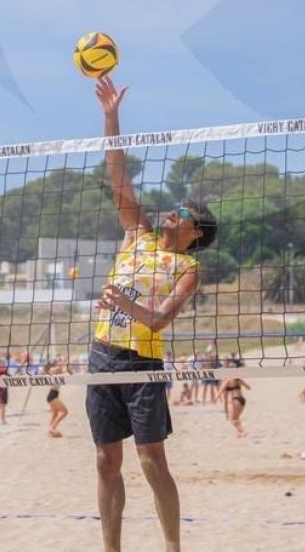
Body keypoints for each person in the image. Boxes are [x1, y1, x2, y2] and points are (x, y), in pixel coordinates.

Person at [85, 76, 217, 552]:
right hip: (103, 356)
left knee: (151, 459)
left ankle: (172, 547)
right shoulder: (136, 232)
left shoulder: (188, 266)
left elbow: (159, 321)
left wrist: (123, 303)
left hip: (142, 363)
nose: (171, 213)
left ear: (195, 232)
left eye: (181, 212)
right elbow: (117, 171)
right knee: (105, 460)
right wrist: (110, 116)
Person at [216, 369, 250, 438]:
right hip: (242, 400)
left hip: (235, 400)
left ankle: (243, 430)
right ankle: (238, 433)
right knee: (237, 418)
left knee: (232, 420)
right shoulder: (237, 379)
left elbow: (220, 393)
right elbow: (248, 387)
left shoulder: (227, 381)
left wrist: (216, 398)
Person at [46, 361, 69, 438]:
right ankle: (52, 428)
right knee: (64, 411)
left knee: (55, 414)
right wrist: (62, 363)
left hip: (53, 395)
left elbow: (67, 371)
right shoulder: (52, 373)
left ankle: (50, 430)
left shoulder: (58, 374)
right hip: (52, 395)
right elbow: (56, 369)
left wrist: (64, 364)